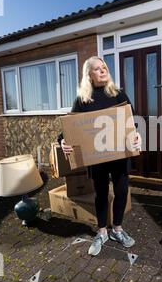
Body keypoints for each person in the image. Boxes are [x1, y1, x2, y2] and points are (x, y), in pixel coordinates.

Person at [58, 56, 142, 256]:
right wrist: (62, 141)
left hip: (119, 154)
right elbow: (70, 128)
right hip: (96, 158)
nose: (103, 71)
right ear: (89, 74)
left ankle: (118, 230)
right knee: (101, 193)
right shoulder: (83, 100)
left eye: (104, 67)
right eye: (97, 69)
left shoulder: (118, 94)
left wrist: (136, 134)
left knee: (121, 191)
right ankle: (102, 231)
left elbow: (132, 121)